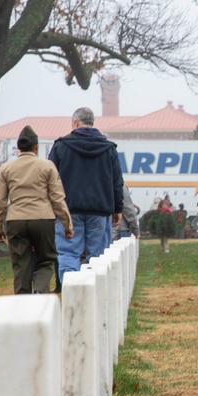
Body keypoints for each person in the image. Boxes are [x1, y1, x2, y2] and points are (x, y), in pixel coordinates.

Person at [0, 125, 74, 294]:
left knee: (21, 263)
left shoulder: (7, 169)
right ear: (36, 147)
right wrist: (67, 225)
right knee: (46, 260)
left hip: (16, 220)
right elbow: (57, 199)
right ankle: (39, 290)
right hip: (43, 218)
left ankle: (22, 299)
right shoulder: (47, 166)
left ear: (18, 147)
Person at [48, 107, 124, 284]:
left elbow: (50, 181)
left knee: (68, 252)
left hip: (69, 210)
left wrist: (52, 208)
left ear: (76, 123)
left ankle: (70, 291)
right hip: (99, 210)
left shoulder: (60, 146)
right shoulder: (109, 149)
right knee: (98, 256)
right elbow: (117, 181)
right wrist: (118, 208)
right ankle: (94, 295)